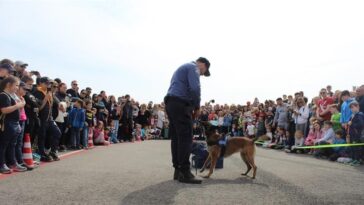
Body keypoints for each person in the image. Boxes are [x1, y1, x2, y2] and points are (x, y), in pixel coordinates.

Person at [164, 57, 210, 184]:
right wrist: (197, 106)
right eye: (203, 71)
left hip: (171, 102)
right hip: (181, 103)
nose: (201, 74)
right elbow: (195, 88)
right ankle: (185, 172)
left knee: (177, 138)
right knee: (185, 138)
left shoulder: (183, 67)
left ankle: (178, 170)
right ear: (202, 64)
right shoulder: (193, 67)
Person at [0, 76, 27, 173]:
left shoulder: (11, 95)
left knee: (12, 145)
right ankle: (2, 164)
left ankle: (12, 163)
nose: (17, 88)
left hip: (15, 124)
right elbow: (4, 110)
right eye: (16, 85)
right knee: (3, 145)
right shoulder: (4, 95)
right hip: (8, 124)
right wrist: (18, 105)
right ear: (8, 84)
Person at [33, 77, 61, 162]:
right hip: (41, 118)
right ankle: (41, 153)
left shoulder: (49, 92)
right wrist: (46, 97)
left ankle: (53, 151)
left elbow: (51, 106)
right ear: (41, 83)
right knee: (42, 136)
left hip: (49, 118)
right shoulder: (37, 92)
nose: (49, 85)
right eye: (47, 83)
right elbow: (39, 108)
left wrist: (50, 95)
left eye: (49, 84)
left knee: (57, 132)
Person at [347, 101, 364, 165]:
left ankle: (358, 160)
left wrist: (352, 123)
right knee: (353, 147)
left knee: (357, 148)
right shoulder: (352, 115)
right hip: (352, 134)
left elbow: (361, 124)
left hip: (357, 135)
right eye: (351, 108)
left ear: (358, 106)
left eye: (353, 107)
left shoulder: (360, 114)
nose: (352, 109)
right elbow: (349, 123)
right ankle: (354, 159)